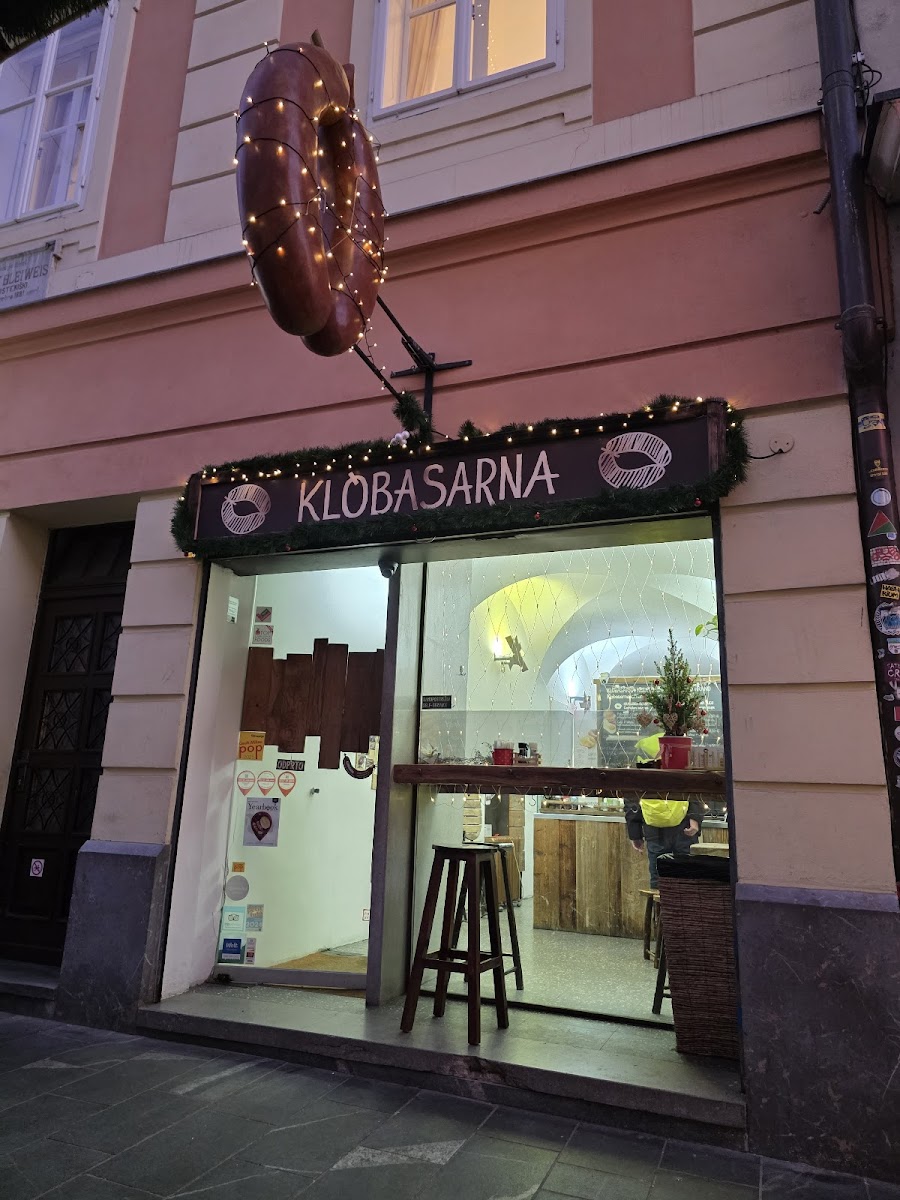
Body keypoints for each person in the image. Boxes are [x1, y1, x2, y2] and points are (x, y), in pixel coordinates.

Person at [625, 733, 702, 888]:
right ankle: (683, 904)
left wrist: (635, 834)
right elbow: (695, 790)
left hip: (654, 831)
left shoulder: (643, 764)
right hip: (684, 829)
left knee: (659, 879)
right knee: (687, 878)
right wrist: (695, 819)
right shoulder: (680, 757)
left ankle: (661, 904)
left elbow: (633, 800)